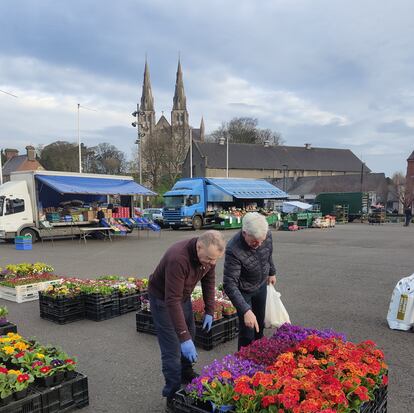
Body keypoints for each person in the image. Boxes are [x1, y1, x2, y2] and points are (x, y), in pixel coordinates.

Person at [148, 230, 226, 412]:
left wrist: (209, 309)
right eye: (209, 258)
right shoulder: (179, 258)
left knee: (190, 332)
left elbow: (209, 280)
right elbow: (171, 300)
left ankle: (186, 372)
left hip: (181, 297)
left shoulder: (207, 256)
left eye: (215, 259)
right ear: (199, 247)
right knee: (172, 349)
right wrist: (183, 338)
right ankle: (172, 394)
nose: (212, 263)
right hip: (163, 299)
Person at [223, 212, 277, 350]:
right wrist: (245, 310)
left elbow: (268, 254)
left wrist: (271, 272)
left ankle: (258, 356)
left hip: (261, 285)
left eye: (261, 241)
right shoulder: (233, 249)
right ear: (244, 233)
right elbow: (229, 284)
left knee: (260, 324)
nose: (258, 245)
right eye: (254, 242)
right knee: (247, 331)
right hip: (244, 291)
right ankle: (243, 365)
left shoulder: (265, 235)